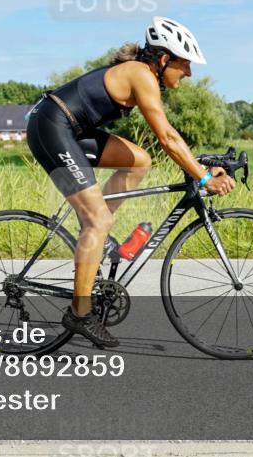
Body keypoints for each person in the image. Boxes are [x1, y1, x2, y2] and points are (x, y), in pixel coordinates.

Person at [25, 17, 235, 348]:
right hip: (51, 127)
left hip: (70, 129)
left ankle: (98, 232)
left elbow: (167, 142)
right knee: (98, 219)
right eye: (185, 65)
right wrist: (204, 177)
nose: (189, 73)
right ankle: (80, 312)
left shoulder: (142, 74)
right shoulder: (141, 74)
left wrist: (198, 165)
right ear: (164, 58)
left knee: (140, 161)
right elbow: (166, 136)